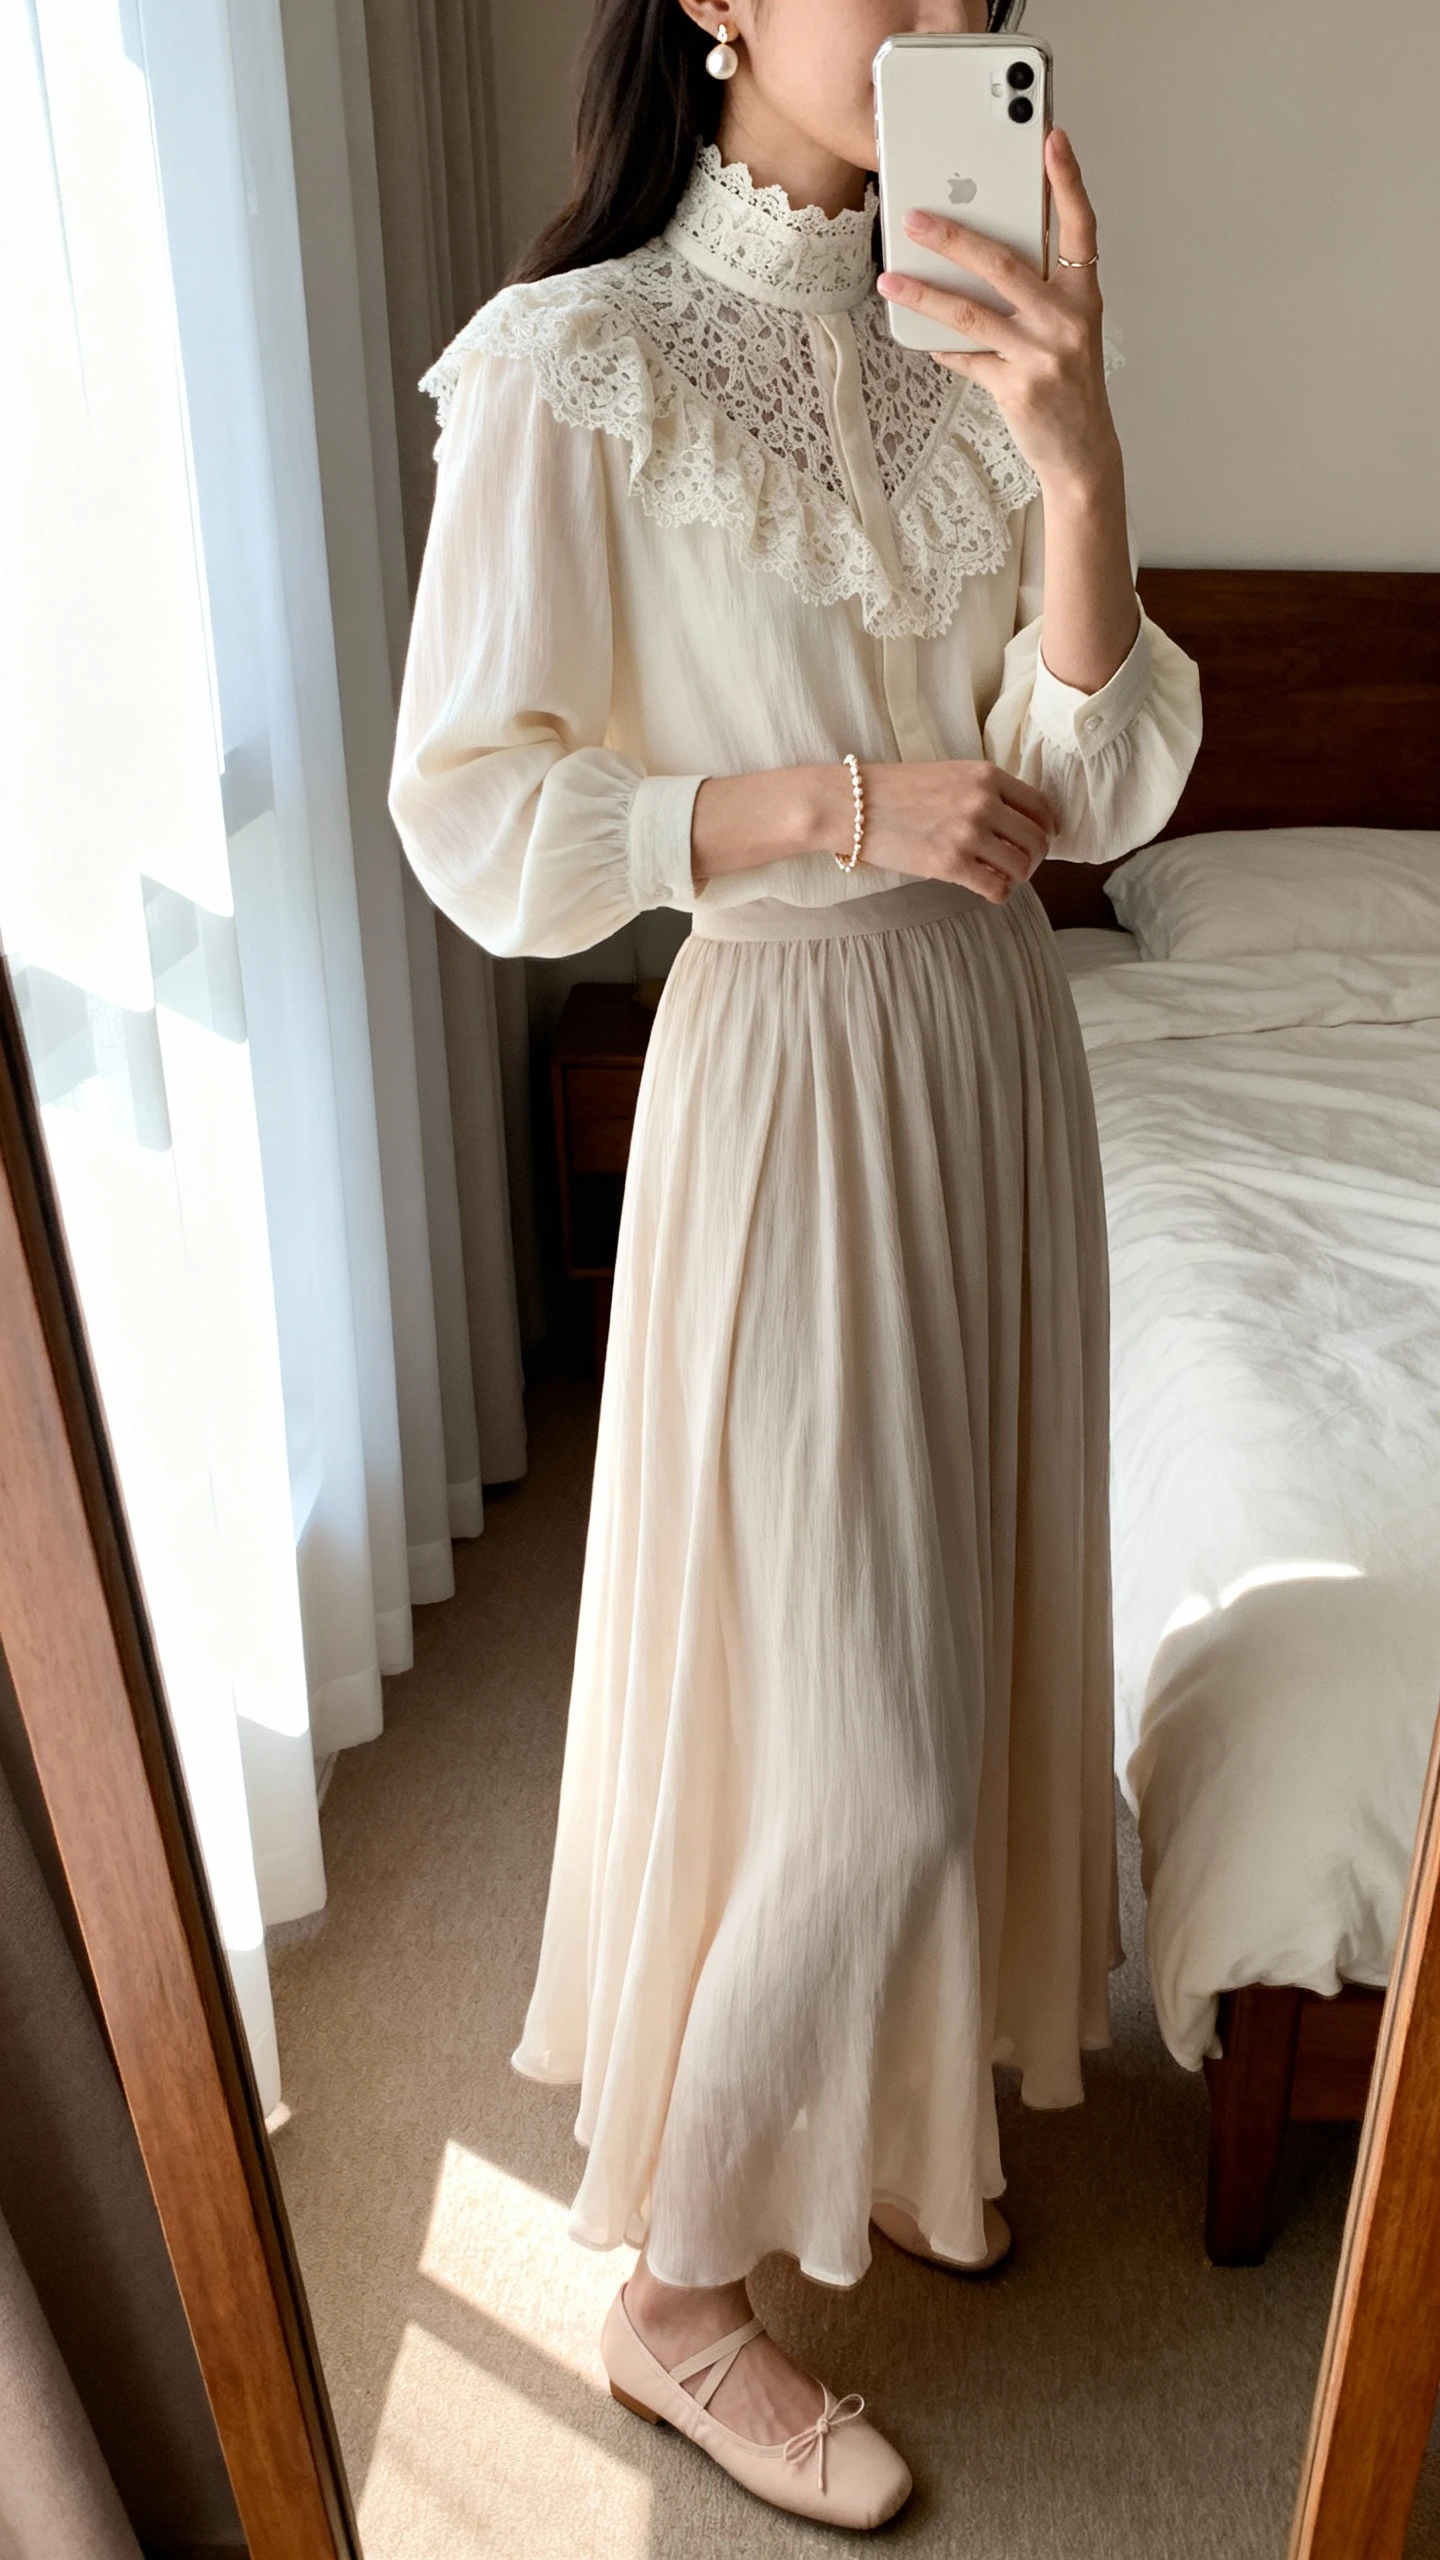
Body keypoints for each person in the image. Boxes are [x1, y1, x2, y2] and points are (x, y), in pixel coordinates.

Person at [390, 0, 1201, 2528]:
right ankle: (672, 2297)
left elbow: (1087, 785)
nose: (950, 23)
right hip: (781, 1057)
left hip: (986, 1052)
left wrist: (1074, 448)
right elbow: (473, 806)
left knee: (955, 1658)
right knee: (839, 1726)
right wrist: (821, 795)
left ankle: (904, 2124)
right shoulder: (576, 361)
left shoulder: (979, 343)